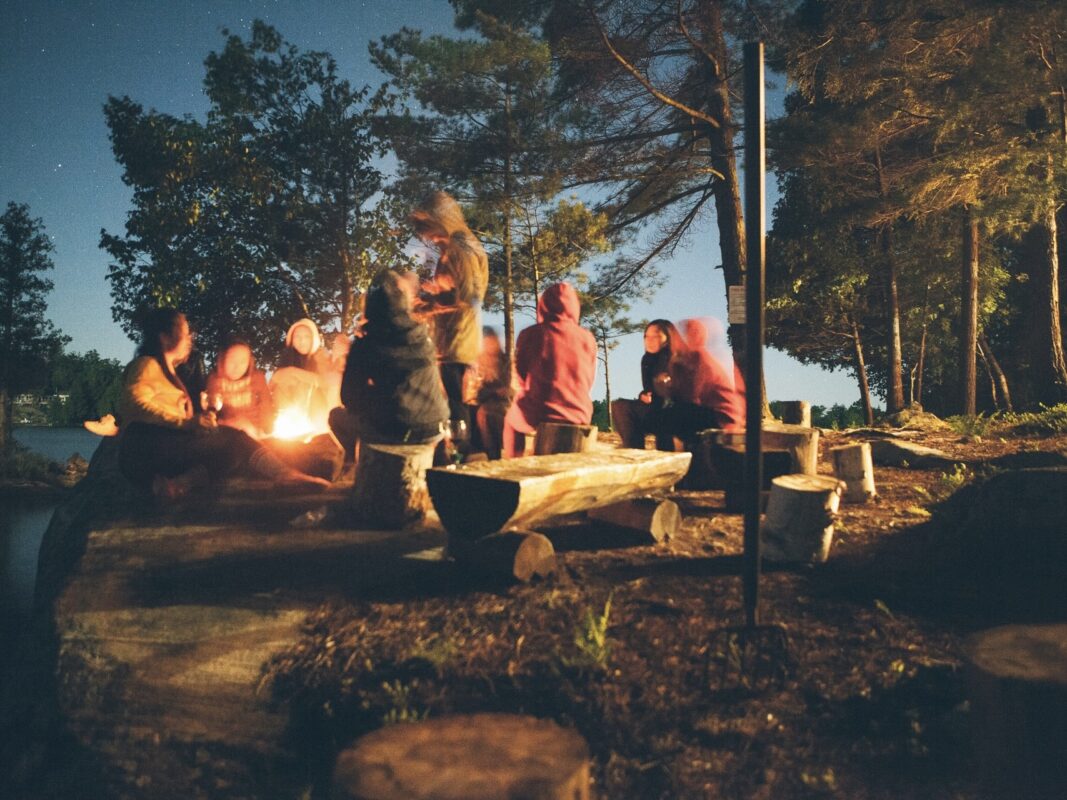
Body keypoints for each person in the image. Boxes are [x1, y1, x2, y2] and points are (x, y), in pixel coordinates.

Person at [117, 308, 328, 501]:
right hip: (145, 450)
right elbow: (133, 404)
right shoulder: (146, 365)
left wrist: (198, 424)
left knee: (232, 453)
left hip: (165, 449)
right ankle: (285, 475)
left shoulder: (169, 371)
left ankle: (176, 485)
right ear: (165, 338)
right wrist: (186, 423)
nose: (190, 338)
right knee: (236, 439)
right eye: (185, 332)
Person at [409, 190, 489, 453]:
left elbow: (468, 296)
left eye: (428, 227)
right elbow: (458, 289)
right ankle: (469, 455)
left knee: (456, 405)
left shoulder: (460, 246)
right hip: (456, 339)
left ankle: (462, 459)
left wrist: (427, 306)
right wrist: (434, 291)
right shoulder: (459, 246)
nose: (426, 236)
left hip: (457, 341)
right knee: (458, 403)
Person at [336, 269, 450, 452]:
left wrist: (380, 399)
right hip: (434, 427)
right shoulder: (422, 335)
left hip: (396, 431)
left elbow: (349, 397)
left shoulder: (367, 343)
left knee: (337, 417)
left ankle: (359, 466)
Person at [502, 283, 597, 458]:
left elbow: (521, 373)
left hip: (542, 409)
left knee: (510, 421)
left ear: (543, 306)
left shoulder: (531, 334)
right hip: (579, 411)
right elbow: (589, 378)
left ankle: (513, 463)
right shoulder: (588, 338)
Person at [656, 317, 745, 445]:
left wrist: (668, 388)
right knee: (667, 416)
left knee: (666, 418)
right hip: (708, 411)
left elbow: (692, 396)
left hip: (723, 417)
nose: (675, 340)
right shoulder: (680, 360)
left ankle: (674, 457)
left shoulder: (700, 358)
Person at [610, 319, 681, 450]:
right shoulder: (647, 359)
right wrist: (644, 395)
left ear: (668, 338)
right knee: (620, 406)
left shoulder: (678, 358)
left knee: (667, 414)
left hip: (676, 414)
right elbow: (648, 389)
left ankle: (667, 455)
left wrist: (667, 387)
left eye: (656, 336)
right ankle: (634, 451)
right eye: (646, 336)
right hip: (655, 410)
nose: (649, 340)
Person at [203, 338, 275, 439]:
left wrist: (266, 429)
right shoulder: (215, 380)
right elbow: (211, 411)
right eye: (232, 360)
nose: (237, 366)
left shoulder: (257, 378)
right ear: (223, 359)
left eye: (243, 361)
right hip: (227, 434)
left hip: (255, 434)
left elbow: (266, 405)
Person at [467, 326, 513, 459]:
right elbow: (474, 390)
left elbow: (509, 387)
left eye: (491, 341)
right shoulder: (477, 362)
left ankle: (498, 453)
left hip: (502, 403)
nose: (489, 345)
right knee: (482, 414)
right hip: (482, 402)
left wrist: (503, 391)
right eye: (486, 342)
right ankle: (491, 454)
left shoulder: (505, 361)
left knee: (492, 415)